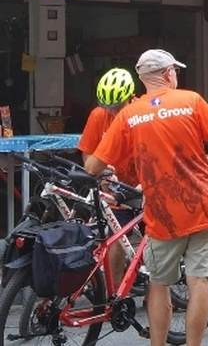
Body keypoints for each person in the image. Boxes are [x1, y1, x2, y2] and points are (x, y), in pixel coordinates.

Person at [85, 49, 208, 346]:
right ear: (168, 74)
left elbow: (92, 166)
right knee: (199, 281)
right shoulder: (191, 101)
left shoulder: (129, 114)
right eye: (175, 71)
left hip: (161, 213)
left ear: (143, 79)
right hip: (201, 206)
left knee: (159, 284)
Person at [77, 67, 138, 286]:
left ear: (131, 97)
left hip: (142, 183)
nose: (113, 112)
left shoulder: (142, 113)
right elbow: (87, 151)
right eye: (108, 107)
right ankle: (115, 291)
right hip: (113, 187)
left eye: (118, 107)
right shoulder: (98, 115)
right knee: (116, 238)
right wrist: (100, 174)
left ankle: (155, 291)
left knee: (157, 243)